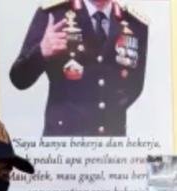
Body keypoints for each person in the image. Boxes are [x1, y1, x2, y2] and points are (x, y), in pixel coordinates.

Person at [9, 0, 148, 137]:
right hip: (64, 142)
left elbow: (135, 85)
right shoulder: (54, 14)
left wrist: (109, 113)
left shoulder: (134, 23)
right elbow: (19, 79)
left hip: (112, 140)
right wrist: (41, 52)